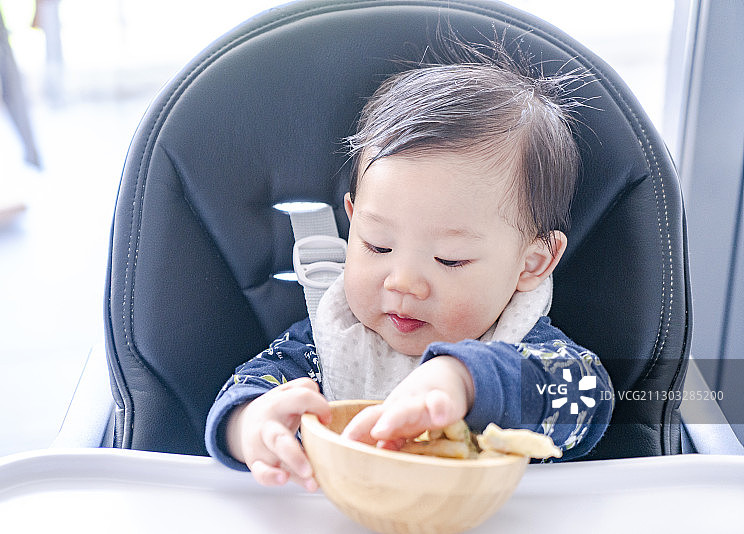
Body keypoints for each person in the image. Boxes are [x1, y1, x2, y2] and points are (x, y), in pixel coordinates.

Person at [205, 41, 614, 492]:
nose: (403, 282)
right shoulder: (329, 343)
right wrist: (250, 426)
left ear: (532, 262)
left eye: (449, 259)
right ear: (352, 220)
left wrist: (464, 381)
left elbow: (586, 399)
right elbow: (250, 387)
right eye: (378, 245)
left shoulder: (529, 351)